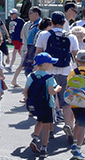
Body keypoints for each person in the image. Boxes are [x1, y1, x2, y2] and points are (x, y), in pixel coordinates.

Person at [34, 11, 81, 140]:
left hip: (47, 73)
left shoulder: (43, 35)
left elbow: (38, 54)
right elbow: (76, 56)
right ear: (64, 22)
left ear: (51, 22)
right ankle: (67, 126)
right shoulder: (71, 37)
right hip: (66, 72)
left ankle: (50, 129)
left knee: (50, 101)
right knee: (66, 102)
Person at [25, 52, 60, 157]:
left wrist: (28, 102)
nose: (52, 65)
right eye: (50, 63)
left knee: (39, 121)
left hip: (36, 104)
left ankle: (35, 138)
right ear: (44, 64)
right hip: (47, 105)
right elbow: (51, 92)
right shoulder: (49, 78)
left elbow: (25, 91)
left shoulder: (31, 76)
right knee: (46, 127)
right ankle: (44, 147)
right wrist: (57, 88)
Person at [12, 11, 46, 88]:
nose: (29, 15)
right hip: (30, 47)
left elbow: (21, 35)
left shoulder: (32, 24)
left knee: (24, 64)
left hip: (27, 46)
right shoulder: (32, 24)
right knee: (27, 65)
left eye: (30, 13)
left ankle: (16, 79)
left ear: (36, 14)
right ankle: (27, 83)